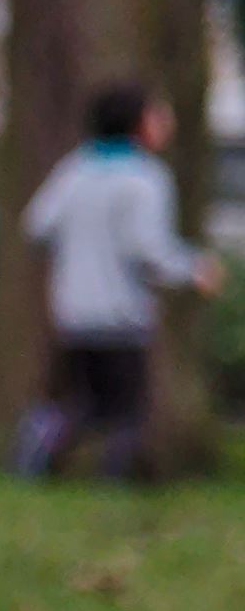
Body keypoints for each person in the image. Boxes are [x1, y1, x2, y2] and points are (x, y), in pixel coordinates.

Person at [12, 78, 219, 480]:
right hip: (122, 313)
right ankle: (111, 478)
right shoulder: (145, 178)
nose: (166, 121)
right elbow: (149, 249)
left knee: (80, 398)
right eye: (157, 114)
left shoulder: (75, 168)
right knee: (127, 409)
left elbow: (37, 225)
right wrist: (195, 269)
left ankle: (41, 440)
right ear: (138, 123)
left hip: (72, 308)